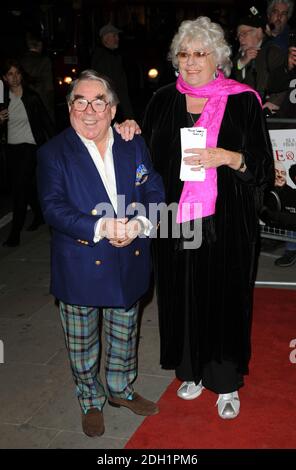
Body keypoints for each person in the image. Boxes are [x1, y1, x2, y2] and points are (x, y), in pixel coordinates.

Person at [116, 17, 274, 419]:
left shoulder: (243, 99)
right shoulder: (164, 100)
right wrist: (132, 129)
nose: (191, 62)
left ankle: (224, 382)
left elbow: (261, 166)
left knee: (224, 296)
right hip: (175, 217)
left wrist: (226, 156)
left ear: (217, 57)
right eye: (184, 54)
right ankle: (191, 371)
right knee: (181, 293)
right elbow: (146, 161)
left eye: (200, 53)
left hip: (227, 219)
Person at [37, 70, 164, 437]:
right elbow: (53, 208)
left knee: (125, 332)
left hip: (129, 255)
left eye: (98, 102)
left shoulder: (132, 142)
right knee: (82, 342)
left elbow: (153, 187)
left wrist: (139, 224)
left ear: (113, 109)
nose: (89, 110)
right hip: (80, 262)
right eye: (80, 100)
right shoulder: (53, 152)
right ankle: (89, 398)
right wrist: (103, 227)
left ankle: (120, 389)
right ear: (69, 107)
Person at [0, 59, 55, 247]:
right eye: (10, 74)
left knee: (19, 189)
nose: (14, 77)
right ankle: (39, 215)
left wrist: (58, 146)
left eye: (17, 73)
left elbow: (46, 122)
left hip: (30, 147)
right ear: (4, 78)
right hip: (11, 149)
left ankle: (15, 233)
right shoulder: (2, 100)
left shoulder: (31, 97)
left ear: (22, 75)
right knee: (25, 185)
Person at [233, 8, 290, 114]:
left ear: (259, 32)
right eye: (239, 35)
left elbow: (284, 81)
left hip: (266, 113)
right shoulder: (238, 56)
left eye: (244, 33)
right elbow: (231, 80)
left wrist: (272, 104)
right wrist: (242, 62)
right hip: (243, 111)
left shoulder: (272, 52)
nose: (241, 38)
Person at [91, 23, 134, 121]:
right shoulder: (104, 59)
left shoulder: (112, 56)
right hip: (111, 111)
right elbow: (111, 87)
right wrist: (126, 114)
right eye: (114, 36)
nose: (117, 39)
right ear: (105, 39)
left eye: (117, 36)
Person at [20, 32, 55, 123]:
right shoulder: (44, 61)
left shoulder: (21, 61)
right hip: (42, 101)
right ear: (40, 44)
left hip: (24, 102)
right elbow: (48, 87)